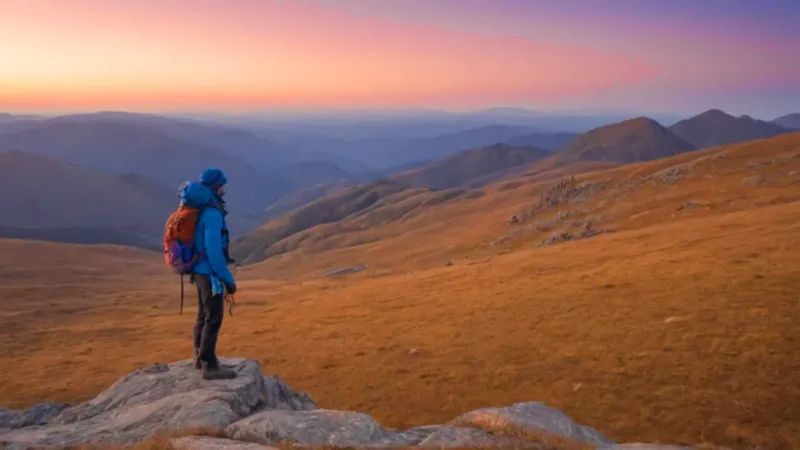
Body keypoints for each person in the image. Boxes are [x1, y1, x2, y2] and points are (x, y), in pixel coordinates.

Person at [185, 168, 238, 380]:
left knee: (203, 315)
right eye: (222, 185)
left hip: (198, 272)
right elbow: (214, 251)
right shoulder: (212, 214)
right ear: (215, 187)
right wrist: (228, 280)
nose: (224, 189)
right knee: (214, 318)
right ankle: (210, 365)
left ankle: (199, 358)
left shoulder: (200, 209)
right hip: (209, 274)